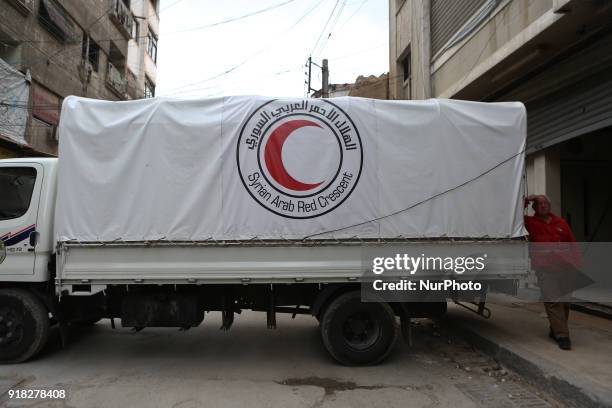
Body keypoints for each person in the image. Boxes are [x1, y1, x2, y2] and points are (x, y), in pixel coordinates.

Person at [524, 195, 580, 350]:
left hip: (566, 267)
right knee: (553, 300)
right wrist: (528, 199)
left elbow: (572, 243)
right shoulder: (530, 222)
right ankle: (562, 335)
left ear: (550, 205)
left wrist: (577, 264)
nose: (543, 206)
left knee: (565, 302)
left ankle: (554, 329)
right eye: (539, 204)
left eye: (545, 203)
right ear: (534, 207)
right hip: (545, 269)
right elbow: (514, 215)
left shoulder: (560, 222)